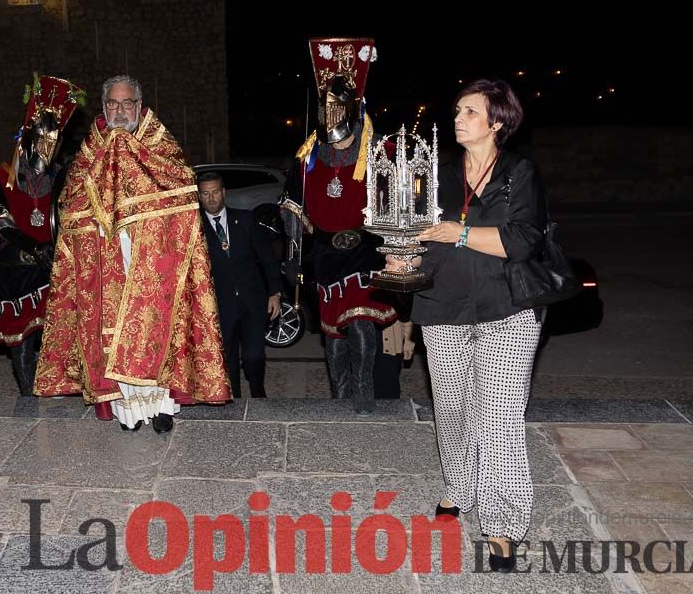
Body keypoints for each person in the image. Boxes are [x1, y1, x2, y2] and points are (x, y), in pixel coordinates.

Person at [397, 79, 546, 572]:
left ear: (496, 122)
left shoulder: (518, 172)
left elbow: (522, 240)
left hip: (508, 307)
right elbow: (416, 232)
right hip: (442, 304)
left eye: (469, 111)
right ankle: (458, 488)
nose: (457, 118)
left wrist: (459, 233)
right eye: (457, 109)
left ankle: (502, 522)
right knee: (455, 408)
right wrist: (403, 257)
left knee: (498, 417)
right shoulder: (438, 175)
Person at [35, 75, 230, 432]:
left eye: (127, 104)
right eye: (113, 104)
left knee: (154, 332)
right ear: (104, 106)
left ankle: (161, 409)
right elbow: (72, 203)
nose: (120, 111)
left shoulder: (159, 144)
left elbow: (182, 187)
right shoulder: (90, 150)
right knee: (113, 334)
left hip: (152, 259)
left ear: (139, 107)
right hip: (107, 260)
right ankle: (129, 413)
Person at [279, 38, 398, 413]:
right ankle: (341, 400)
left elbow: (392, 201)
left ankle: (364, 397)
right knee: (333, 334)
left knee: (361, 324)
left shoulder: (375, 149)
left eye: (338, 106)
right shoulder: (309, 153)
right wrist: (293, 221)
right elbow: (291, 200)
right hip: (327, 253)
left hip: (364, 250)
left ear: (352, 107)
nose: (331, 113)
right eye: (325, 106)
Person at [0, 73, 83, 395]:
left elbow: (70, 215)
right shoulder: (0, 177)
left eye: (54, 140)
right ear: (28, 135)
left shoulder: (61, 176)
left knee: (64, 329)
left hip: (54, 263)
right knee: (22, 337)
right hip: (17, 266)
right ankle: (28, 393)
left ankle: (62, 385)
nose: (47, 146)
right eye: (42, 138)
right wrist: (32, 249)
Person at [196, 171, 281, 399]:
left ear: (223, 193)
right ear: (199, 197)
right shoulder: (195, 228)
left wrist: (275, 293)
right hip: (219, 305)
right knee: (229, 359)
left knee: (254, 356)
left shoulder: (246, 219)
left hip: (253, 301)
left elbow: (267, 258)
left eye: (215, 192)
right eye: (206, 194)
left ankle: (258, 394)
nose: (211, 198)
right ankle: (234, 401)